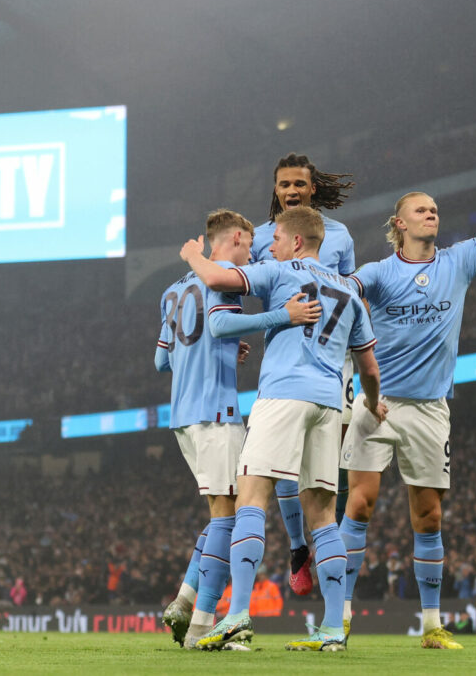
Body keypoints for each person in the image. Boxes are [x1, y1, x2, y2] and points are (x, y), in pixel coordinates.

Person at [339, 126, 476, 650]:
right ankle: (340, 616)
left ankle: (431, 626)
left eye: (435, 210)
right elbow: (345, 290)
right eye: (422, 210)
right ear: (400, 223)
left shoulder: (459, 261)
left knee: (429, 516)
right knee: (360, 505)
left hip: (429, 409)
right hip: (377, 403)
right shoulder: (379, 272)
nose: (432, 215)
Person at [180, 205, 385, 652]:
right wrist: (372, 403)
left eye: (274, 239)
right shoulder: (349, 290)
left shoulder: (279, 271)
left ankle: (237, 615)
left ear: (295, 241)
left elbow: (215, 278)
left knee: (251, 497)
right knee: (324, 517)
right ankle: (333, 629)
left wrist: (192, 255)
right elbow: (369, 368)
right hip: (328, 404)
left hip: (283, 395)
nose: (267, 246)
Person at [157, 209, 320, 648]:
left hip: (182, 417)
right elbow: (219, 323)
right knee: (230, 517)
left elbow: (162, 360)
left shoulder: (172, 290)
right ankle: (201, 624)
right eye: (249, 244)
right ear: (233, 239)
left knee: (222, 512)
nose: (253, 253)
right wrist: (282, 315)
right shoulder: (223, 276)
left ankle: (185, 600)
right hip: (216, 412)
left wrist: (221, 350)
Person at [252, 153, 357, 597]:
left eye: (299, 183)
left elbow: (351, 290)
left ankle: (325, 540)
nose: (292, 190)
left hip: (334, 360)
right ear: (275, 190)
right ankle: (298, 547)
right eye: (284, 184)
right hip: (285, 356)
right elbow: (239, 287)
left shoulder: (340, 235)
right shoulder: (262, 237)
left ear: (313, 188)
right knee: (282, 461)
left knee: (333, 463)